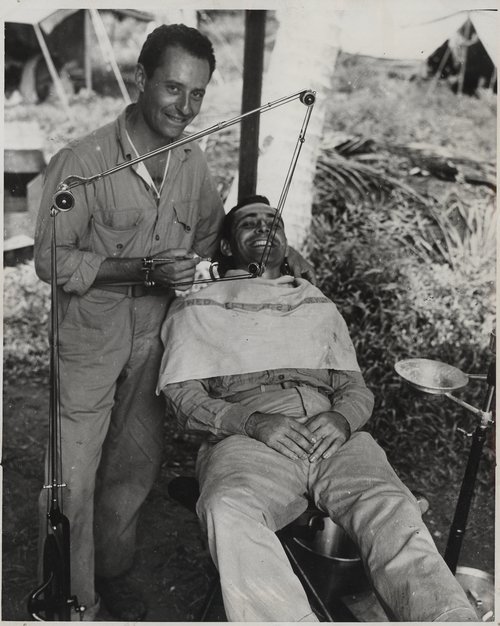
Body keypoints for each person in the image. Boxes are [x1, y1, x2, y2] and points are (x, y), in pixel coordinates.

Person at [33, 24, 315, 621]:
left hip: (159, 336)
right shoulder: (81, 161)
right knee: (73, 473)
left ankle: (110, 568)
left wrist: (267, 256)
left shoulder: (191, 160)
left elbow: (213, 241)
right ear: (140, 80)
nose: (184, 109)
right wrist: (137, 267)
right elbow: (49, 259)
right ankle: (73, 598)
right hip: (90, 338)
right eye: (172, 89)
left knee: (135, 461)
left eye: (196, 95)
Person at [158, 196, 478, 622]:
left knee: (392, 506)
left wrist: (342, 418)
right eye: (248, 224)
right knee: (226, 508)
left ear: (287, 244)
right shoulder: (200, 305)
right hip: (249, 439)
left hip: (333, 436)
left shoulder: (314, 303)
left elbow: (355, 389)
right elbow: (183, 397)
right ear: (227, 248)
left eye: (272, 222)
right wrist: (253, 423)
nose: (262, 229)